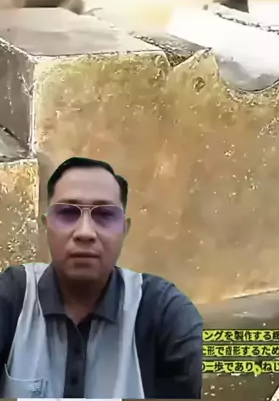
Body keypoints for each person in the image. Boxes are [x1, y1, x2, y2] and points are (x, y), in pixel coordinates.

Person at [0, 156, 203, 399]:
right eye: (67, 213)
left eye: (105, 215)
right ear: (46, 225)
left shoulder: (161, 309)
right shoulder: (13, 298)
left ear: (124, 229)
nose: (85, 233)